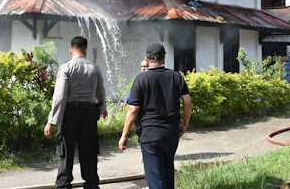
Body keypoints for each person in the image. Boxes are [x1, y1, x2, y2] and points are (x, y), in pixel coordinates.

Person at [119, 43, 191, 189]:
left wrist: (124, 136)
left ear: (147, 59)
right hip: (171, 134)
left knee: (156, 181)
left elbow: (133, 110)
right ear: (164, 58)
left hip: (150, 135)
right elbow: (187, 103)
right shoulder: (176, 77)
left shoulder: (141, 79)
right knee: (168, 176)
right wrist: (184, 125)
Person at [44, 36, 108, 189]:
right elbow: (100, 91)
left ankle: (63, 186)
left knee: (66, 153)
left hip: (70, 115)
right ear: (85, 49)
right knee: (89, 154)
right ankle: (92, 185)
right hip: (89, 116)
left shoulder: (66, 68)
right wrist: (102, 108)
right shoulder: (95, 68)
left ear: (71, 49)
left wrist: (51, 121)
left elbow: (60, 97)